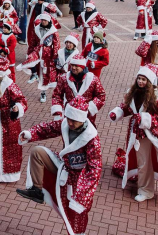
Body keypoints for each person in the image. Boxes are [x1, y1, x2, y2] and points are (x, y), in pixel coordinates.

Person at [17, 96, 102, 235]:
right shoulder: (65, 124)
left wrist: (82, 196)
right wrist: (29, 134)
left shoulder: (92, 139)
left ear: (82, 119)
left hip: (79, 179)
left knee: (75, 216)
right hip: (64, 166)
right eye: (68, 118)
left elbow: (94, 170)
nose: (69, 122)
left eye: (73, 120)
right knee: (37, 152)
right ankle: (36, 191)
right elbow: (48, 128)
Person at [108, 68, 158, 201]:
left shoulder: (157, 97)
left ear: (149, 81)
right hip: (138, 134)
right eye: (139, 78)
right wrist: (117, 113)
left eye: (143, 79)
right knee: (143, 162)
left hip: (155, 133)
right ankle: (145, 190)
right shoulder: (132, 93)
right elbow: (126, 107)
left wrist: (146, 119)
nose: (140, 81)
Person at [0, 57, 27, 182]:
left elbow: (22, 101)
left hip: (7, 122)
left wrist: (17, 108)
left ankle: (6, 172)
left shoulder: (10, 86)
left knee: (5, 146)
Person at [51, 52, 105, 126]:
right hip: (69, 115)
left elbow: (101, 96)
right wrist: (58, 109)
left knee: (87, 135)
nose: (73, 68)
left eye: (76, 66)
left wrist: (88, 109)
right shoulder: (64, 78)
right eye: (72, 65)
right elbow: (57, 95)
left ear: (82, 67)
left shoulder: (93, 79)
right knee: (68, 135)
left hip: (87, 117)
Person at [17, 13, 59, 103]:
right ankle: (34, 74)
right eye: (42, 20)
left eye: (45, 20)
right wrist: (29, 52)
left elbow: (56, 45)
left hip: (47, 56)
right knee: (33, 64)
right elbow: (32, 42)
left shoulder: (53, 31)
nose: (43, 22)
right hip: (37, 52)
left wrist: (55, 57)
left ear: (48, 21)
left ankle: (43, 92)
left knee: (45, 75)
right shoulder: (36, 29)